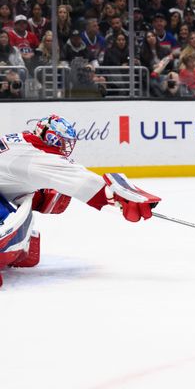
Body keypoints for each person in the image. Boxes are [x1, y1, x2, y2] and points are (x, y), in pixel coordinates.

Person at [0, 115, 159, 287]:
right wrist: (121, 198)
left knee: (10, 213)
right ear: (50, 137)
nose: (65, 146)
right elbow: (83, 180)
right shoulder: (39, 156)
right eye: (61, 141)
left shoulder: (21, 139)